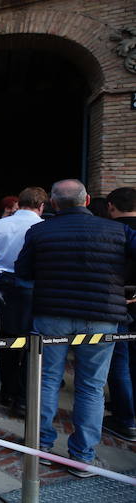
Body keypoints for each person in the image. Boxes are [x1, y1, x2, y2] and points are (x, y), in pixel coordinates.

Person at [16, 179, 136, 476]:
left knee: (46, 380)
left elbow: (23, 271)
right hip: (102, 315)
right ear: (87, 200)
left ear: (53, 204)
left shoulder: (40, 231)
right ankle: (82, 456)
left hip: (52, 313)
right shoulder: (119, 231)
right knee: (91, 386)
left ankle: (41, 446)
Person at [0, 186, 47, 416]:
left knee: (7, 339)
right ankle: (22, 396)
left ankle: (7, 390)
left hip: (5, 287)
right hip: (34, 289)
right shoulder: (42, 227)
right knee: (32, 342)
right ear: (41, 206)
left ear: (19, 203)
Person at [102, 187, 136, 442]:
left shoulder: (108, 231)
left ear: (111, 206)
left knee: (119, 362)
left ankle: (126, 419)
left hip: (117, 306)